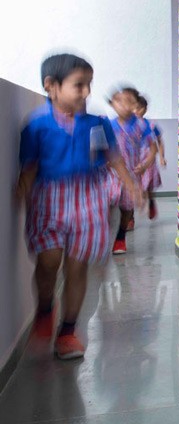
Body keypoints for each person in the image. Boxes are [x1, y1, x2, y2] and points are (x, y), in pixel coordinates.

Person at [16, 53, 140, 359]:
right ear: (51, 86)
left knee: (77, 266)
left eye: (89, 84)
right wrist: (22, 196)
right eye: (79, 85)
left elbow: (114, 158)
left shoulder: (97, 124)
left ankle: (68, 331)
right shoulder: (36, 126)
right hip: (49, 199)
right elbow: (29, 169)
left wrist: (131, 185)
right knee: (48, 261)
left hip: (89, 199)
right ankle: (46, 306)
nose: (86, 92)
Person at [108, 86, 158, 254]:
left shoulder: (142, 125)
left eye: (129, 101)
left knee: (127, 208)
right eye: (119, 101)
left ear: (136, 105)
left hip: (132, 173)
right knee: (106, 203)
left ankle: (120, 236)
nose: (123, 105)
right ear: (112, 103)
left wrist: (145, 165)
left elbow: (153, 148)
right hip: (110, 174)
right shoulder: (108, 125)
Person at [135, 95, 166, 220]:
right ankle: (130, 216)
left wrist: (162, 157)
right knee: (135, 184)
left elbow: (159, 141)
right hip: (134, 158)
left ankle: (151, 201)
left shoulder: (151, 125)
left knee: (147, 184)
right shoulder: (128, 125)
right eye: (134, 108)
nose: (136, 111)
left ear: (145, 109)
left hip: (148, 158)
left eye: (139, 108)